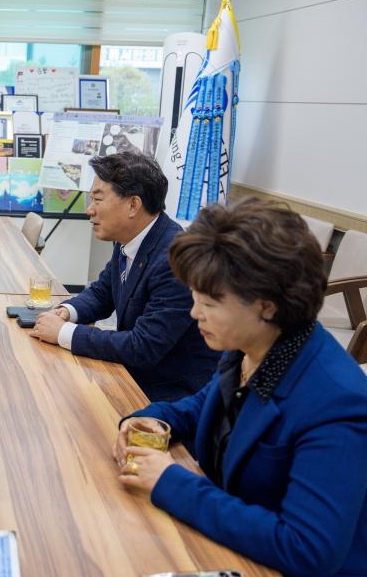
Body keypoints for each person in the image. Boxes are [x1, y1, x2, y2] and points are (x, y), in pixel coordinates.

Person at [114, 199, 367, 576]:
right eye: (194, 298)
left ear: (267, 306)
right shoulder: (253, 346)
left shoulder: (337, 402)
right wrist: (150, 419)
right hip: (229, 548)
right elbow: (199, 407)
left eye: (209, 303)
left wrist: (171, 482)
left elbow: (307, 550)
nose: (194, 313)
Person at [31, 152, 219, 401]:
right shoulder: (129, 239)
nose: (89, 210)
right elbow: (102, 293)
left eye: (98, 199)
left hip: (167, 396)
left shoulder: (174, 259)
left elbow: (143, 346)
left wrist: (64, 333)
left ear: (133, 205)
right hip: (132, 375)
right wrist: (66, 312)